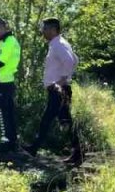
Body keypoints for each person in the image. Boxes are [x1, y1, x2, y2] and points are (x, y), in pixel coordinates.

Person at [25, 18, 84, 165]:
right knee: (64, 120)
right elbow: (75, 60)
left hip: (59, 89)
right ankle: (78, 153)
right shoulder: (59, 43)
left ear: (52, 29)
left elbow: (70, 61)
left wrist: (62, 80)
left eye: (44, 29)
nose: (42, 31)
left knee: (49, 119)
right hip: (59, 89)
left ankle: (34, 148)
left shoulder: (58, 44)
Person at [0, 17, 22, 154]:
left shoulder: (8, 41)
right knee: (9, 114)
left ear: (4, 27)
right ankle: (12, 142)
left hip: (3, 83)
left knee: (2, 113)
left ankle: (6, 143)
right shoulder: (6, 41)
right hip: (6, 82)